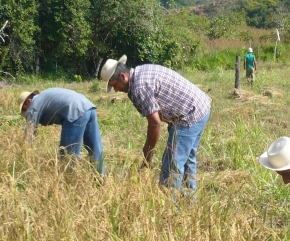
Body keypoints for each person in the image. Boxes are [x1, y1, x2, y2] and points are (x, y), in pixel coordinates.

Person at [101, 57, 211, 192]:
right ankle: (190, 201)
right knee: (187, 159)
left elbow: (155, 123)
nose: (116, 90)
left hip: (189, 114)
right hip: (200, 107)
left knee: (171, 165)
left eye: (114, 85)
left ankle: (170, 207)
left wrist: (148, 155)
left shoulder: (139, 87)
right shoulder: (141, 72)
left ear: (123, 77)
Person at [20, 88, 106, 175]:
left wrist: (23, 155)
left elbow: (29, 133)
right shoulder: (44, 96)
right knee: (95, 148)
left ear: (28, 101)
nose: (27, 112)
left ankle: (69, 180)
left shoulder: (34, 105)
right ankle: (101, 177)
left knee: (67, 152)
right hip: (89, 107)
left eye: (24, 109)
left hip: (75, 112)